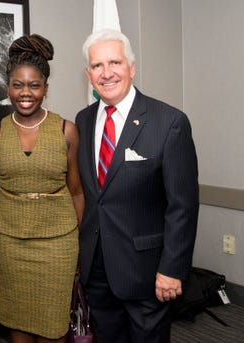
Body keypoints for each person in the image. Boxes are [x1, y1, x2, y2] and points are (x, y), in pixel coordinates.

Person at [75, 29, 199, 342]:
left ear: (132, 67)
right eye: (97, 66)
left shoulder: (168, 122)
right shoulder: (83, 120)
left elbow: (182, 205)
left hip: (147, 271)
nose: (106, 73)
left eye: (114, 62)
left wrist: (172, 268)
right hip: (98, 269)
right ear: (89, 75)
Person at [0, 34, 84, 343]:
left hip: (58, 245)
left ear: (45, 88)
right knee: (17, 322)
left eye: (34, 85)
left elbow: (77, 191)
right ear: (8, 88)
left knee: (54, 328)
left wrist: (72, 237)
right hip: (9, 244)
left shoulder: (67, 130)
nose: (25, 93)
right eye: (17, 85)